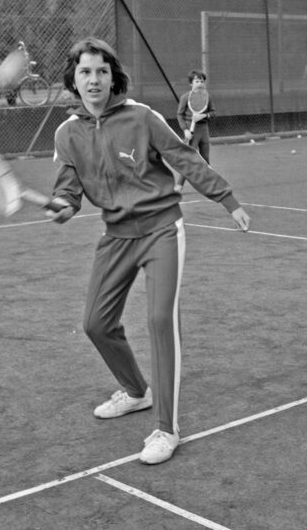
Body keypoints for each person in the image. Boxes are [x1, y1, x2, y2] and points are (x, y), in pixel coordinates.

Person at [47, 38, 250, 465]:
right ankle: (137, 391)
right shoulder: (67, 133)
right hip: (116, 235)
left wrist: (226, 199)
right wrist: (64, 205)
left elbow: (185, 157)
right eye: (85, 71)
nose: (94, 79)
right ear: (74, 79)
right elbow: (68, 188)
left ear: (113, 75)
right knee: (96, 324)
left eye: (101, 71)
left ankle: (166, 428)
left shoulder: (143, 117)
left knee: (160, 321)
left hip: (161, 228)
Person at [175, 69, 215, 191]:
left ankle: (209, 184)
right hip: (191, 132)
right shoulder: (185, 97)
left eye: (202, 81)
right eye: (197, 81)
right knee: (189, 159)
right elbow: (179, 114)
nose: (200, 83)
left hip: (204, 130)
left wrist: (204, 115)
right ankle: (179, 185)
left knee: (205, 159)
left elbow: (213, 112)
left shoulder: (207, 97)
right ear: (191, 84)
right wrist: (185, 130)